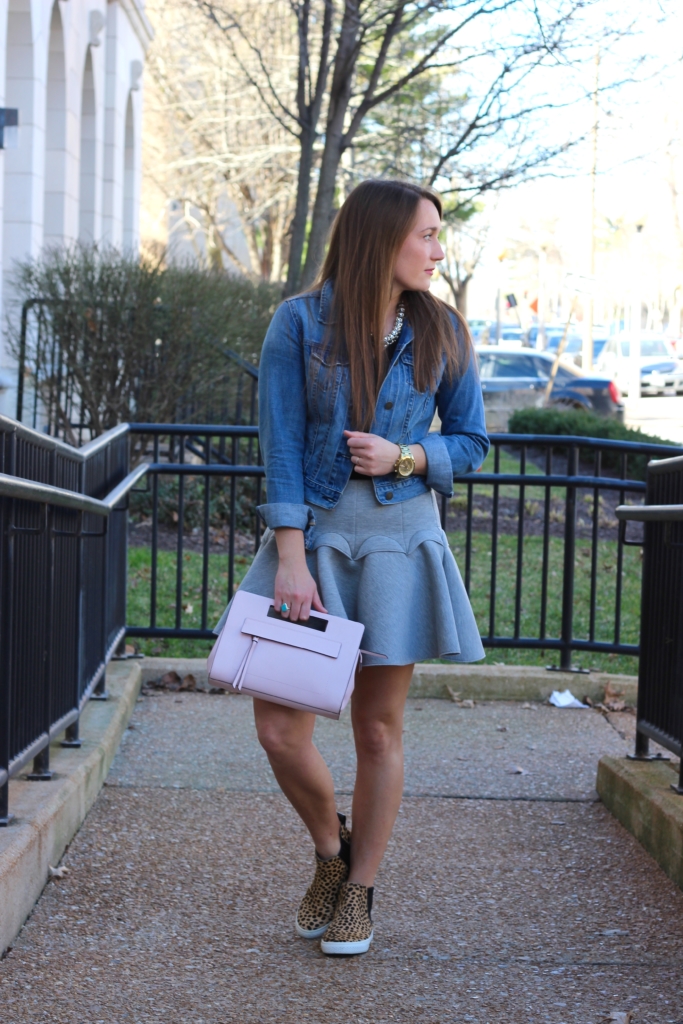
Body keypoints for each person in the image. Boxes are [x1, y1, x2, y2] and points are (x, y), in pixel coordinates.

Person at [214, 178, 489, 956]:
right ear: (381, 237)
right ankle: (329, 850)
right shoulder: (298, 323)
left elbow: (469, 440)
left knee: (375, 729)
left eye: (439, 235)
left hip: (399, 544)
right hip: (312, 545)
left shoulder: (443, 331)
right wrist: (290, 559)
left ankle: (360, 889)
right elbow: (278, 446)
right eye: (426, 235)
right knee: (277, 727)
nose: (437, 250)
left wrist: (405, 455)